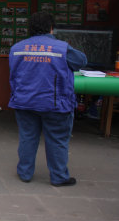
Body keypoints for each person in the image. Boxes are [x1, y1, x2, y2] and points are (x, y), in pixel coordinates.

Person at [8, 11, 86, 186]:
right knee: (57, 140)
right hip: (55, 104)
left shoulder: (16, 48)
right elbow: (81, 61)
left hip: (24, 102)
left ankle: (25, 173)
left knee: (27, 137)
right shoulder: (62, 48)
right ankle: (59, 177)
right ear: (51, 28)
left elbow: (13, 75)